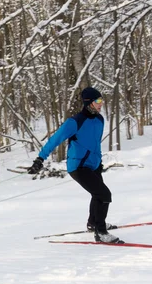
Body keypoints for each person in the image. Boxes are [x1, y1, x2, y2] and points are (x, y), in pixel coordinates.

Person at [28, 87, 122, 243]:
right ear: (88, 103)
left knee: (98, 194)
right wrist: (40, 159)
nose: (101, 104)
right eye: (97, 101)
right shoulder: (75, 122)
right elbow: (55, 140)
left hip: (93, 165)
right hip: (78, 166)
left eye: (102, 101)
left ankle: (93, 224)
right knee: (104, 195)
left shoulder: (99, 120)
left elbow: (95, 144)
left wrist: (98, 162)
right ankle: (101, 232)